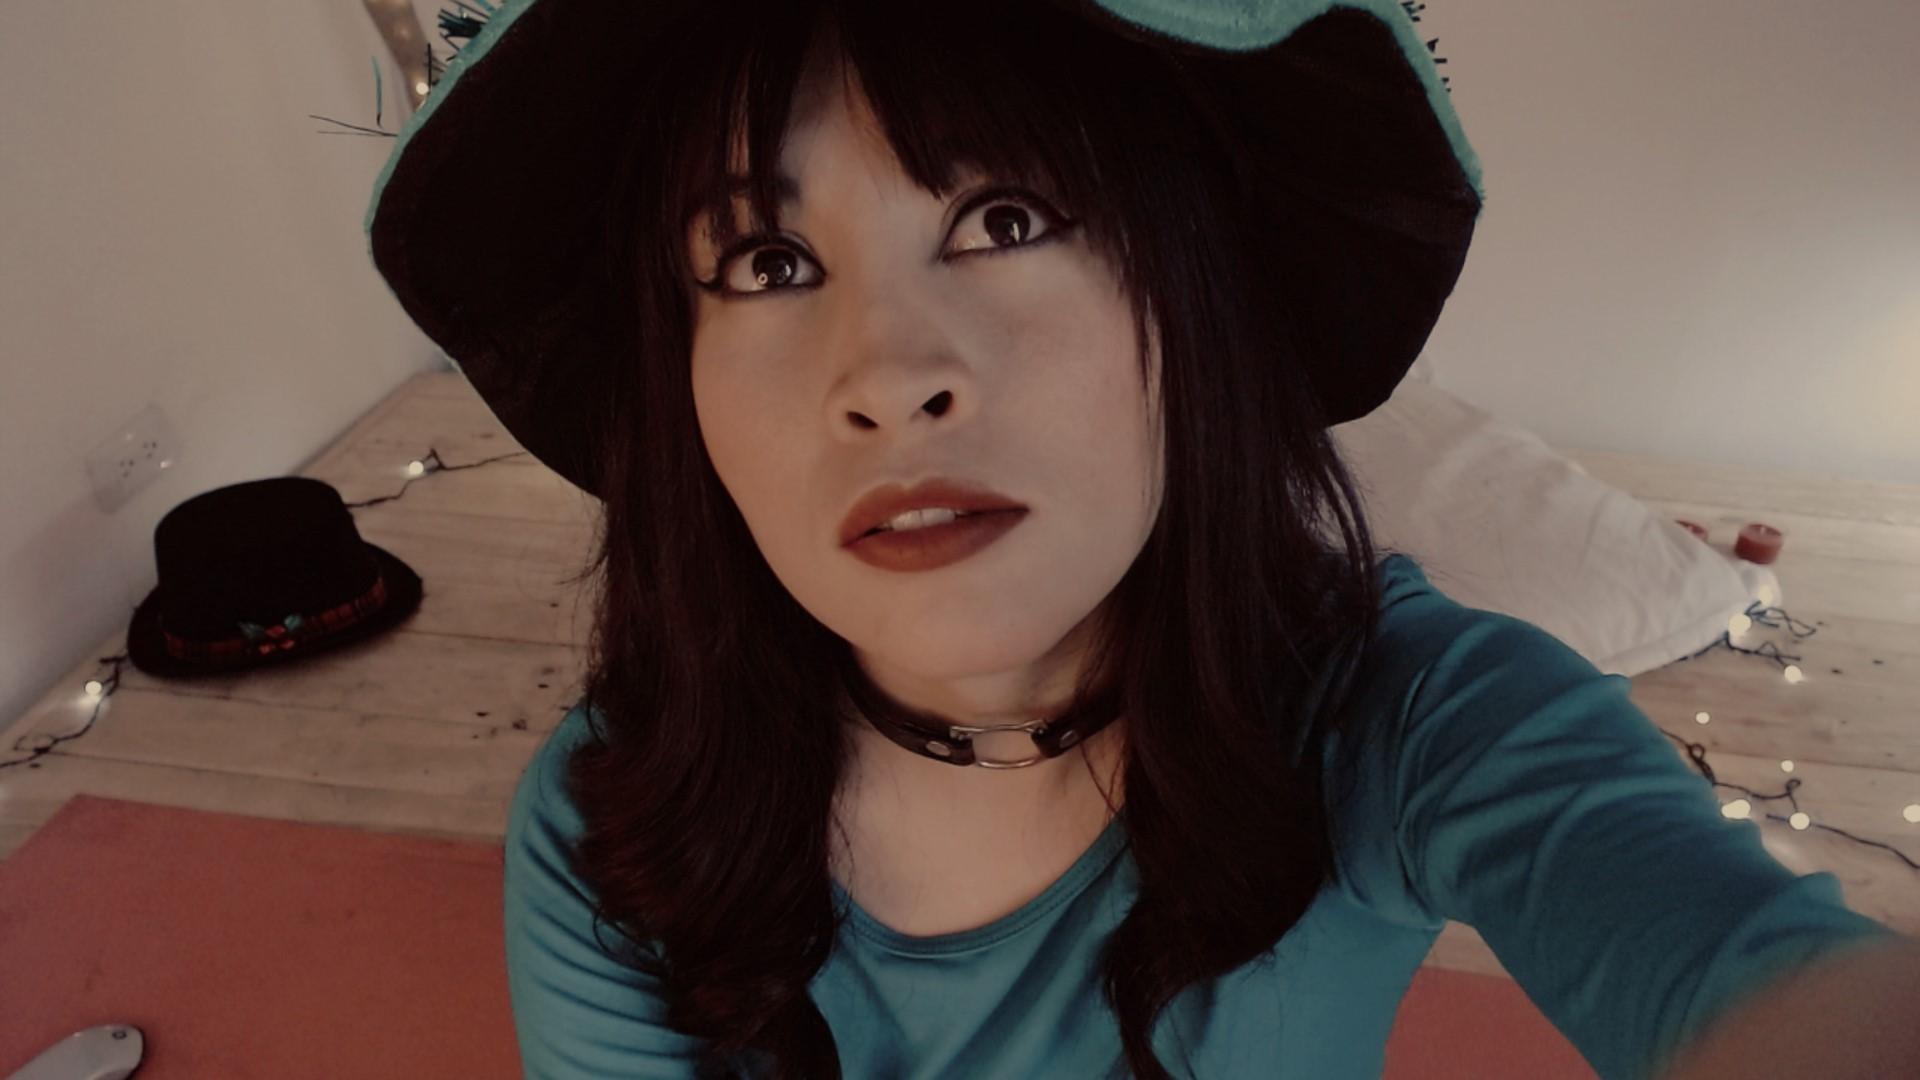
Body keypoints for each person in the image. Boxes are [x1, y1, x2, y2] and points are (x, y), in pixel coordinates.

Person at [362, 1, 1909, 1077]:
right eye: (767, 260)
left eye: (1007, 221)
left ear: (1193, 301)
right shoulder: (611, 816)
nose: (890, 375)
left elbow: (1768, 987)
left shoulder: (1406, 719)